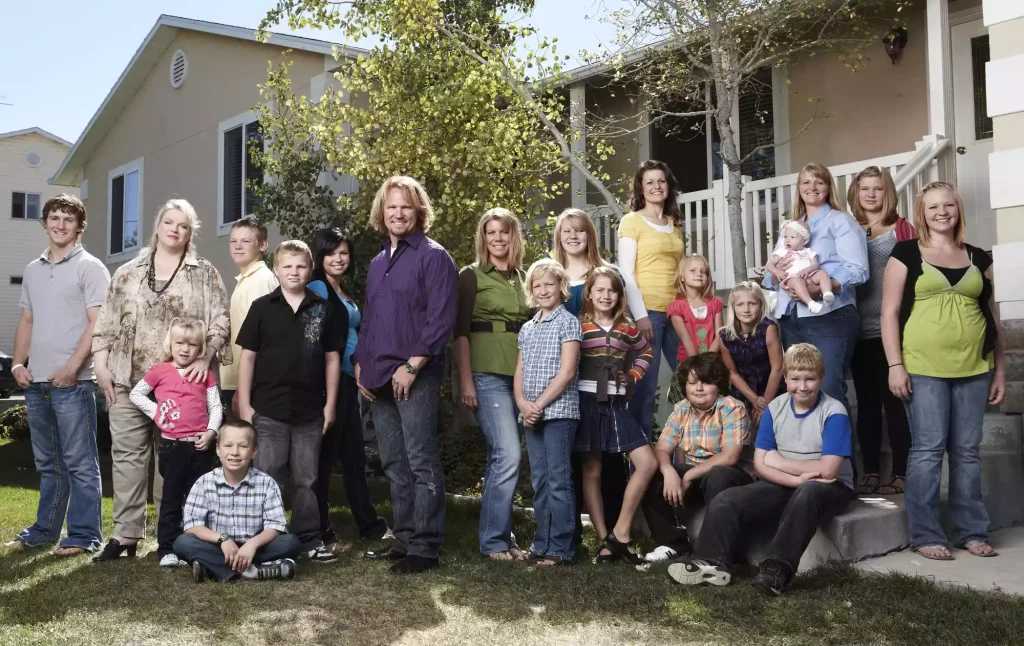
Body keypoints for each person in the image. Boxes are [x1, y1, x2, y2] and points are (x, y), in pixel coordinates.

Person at [92, 198, 231, 562]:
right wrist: (101, 365)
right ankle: (126, 535)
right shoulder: (127, 272)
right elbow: (105, 324)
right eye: (169, 222)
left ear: (190, 233)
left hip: (185, 386)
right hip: (128, 378)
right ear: (157, 226)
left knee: (176, 460)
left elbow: (221, 321)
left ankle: (175, 534)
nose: (175, 229)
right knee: (127, 456)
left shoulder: (204, 273)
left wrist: (206, 354)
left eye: (183, 225)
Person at [667, 344, 855, 596]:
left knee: (809, 492)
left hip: (829, 487)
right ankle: (711, 563)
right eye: (795, 379)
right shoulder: (775, 408)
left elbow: (829, 470)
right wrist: (794, 477)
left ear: (820, 378)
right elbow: (760, 464)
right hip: (786, 483)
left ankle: (775, 571)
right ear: (785, 378)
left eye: (810, 379)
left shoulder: (833, 412)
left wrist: (778, 461)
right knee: (726, 500)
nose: (802, 386)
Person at [881, 181, 1004, 560]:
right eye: (933, 206)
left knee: (967, 452)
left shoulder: (979, 257)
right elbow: (889, 312)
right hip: (921, 365)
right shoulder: (905, 252)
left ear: (957, 209)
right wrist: (895, 365)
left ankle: (971, 531)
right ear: (923, 212)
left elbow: (992, 315)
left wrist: (999, 369)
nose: (941, 212)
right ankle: (926, 534)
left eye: (948, 205)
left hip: (974, 366)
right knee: (928, 451)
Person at [354, 176, 458, 574]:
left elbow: (440, 319)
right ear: (383, 211)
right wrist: (361, 363)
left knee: (420, 459)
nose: (398, 213)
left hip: (415, 375)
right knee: (394, 462)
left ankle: (426, 548)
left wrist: (412, 366)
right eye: (392, 206)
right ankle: (405, 537)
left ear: (419, 212)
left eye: (406, 207)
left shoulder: (434, 256)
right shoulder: (379, 262)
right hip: (378, 376)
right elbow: (371, 320)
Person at [5, 194, 110, 556]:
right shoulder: (34, 269)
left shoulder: (91, 268)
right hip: (36, 384)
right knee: (49, 463)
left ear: (79, 226)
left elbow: (98, 325)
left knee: (81, 464)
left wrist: (71, 369)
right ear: (45, 222)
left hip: (74, 384)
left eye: (68, 219)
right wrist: (19, 363)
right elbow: (28, 319)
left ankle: (83, 535)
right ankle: (45, 530)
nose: (60, 224)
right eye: (54, 217)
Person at [236, 240, 342, 565]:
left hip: (311, 411)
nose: (294, 272)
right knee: (266, 474)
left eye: (300, 266)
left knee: (307, 479)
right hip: (268, 410)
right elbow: (248, 359)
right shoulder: (261, 308)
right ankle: (262, 539)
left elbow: (332, 360)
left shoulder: (322, 309)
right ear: (277, 269)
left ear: (310, 270)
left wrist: (330, 406)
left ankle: (309, 539)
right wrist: (244, 404)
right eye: (287, 266)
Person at [454, 208, 533, 561]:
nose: (497, 238)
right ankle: (493, 543)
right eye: (490, 233)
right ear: (483, 238)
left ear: (513, 236)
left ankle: (503, 536)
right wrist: (466, 380)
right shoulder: (470, 276)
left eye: (503, 232)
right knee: (508, 453)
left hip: (521, 374)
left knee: (503, 457)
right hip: (486, 373)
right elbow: (460, 332)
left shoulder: (525, 278)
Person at [308, 228, 390, 550]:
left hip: (347, 381)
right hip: (330, 384)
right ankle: (322, 532)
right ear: (320, 256)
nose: (339, 258)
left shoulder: (342, 291)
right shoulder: (317, 288)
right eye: (332, 253)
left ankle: (369, 526)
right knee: (325, 460)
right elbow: (317, 339)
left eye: (344, 253)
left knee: (355, 457)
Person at [551, 207, 628, 550]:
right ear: (558, 236)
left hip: (600, 378)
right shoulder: (553, 275)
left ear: (589, 235)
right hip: (563, 375)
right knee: (569, 452)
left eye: (579, 230)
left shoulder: (605, 274)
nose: (573, 236)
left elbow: (629, 319)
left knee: (607, 454)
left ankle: (613, 532)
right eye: (566, 230)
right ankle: (569, 532)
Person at [763, 163, 868, 405]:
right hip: (791, 318)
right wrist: (780, 277)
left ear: (828, 187)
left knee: (828, 388)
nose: (812, 187)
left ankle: (835, 444)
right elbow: (772, 274)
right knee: (800, 394)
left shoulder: (840, 222)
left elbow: (858, 270)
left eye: (819, 182)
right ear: (799, 188)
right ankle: (807, 444)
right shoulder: (791, 227)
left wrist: (819, 288)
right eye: (806, 182)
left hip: (829, 316)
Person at [574, 267, 657, 564]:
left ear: (619, 295)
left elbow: (646, 352)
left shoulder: (627, 326)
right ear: (590, 294)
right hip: (587, 401)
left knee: (646, 462)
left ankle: (620, 533)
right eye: (600, 290)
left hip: (617, 404)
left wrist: (632, 375)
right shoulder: (579, 326)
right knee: (592, 470)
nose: (605, 295)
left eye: (611, 290)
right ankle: (603, 542)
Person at [640, 353, 752, 563]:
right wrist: (669, 471)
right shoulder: (682, 408)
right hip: (696, 479)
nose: (698, 388)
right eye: (692, 382)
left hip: (732, 479)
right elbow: (661, 450)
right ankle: (672, 543)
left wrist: (689, 474)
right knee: (650, 470)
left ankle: (716, 550)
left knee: (719, 473)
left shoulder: (732, 407)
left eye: (706, 382)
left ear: (718, 385)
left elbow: (730, 456)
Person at [128, 319, 222, 567]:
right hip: (172, 448)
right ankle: (167, 549)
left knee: (199, 501)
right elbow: (136, 394)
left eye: (192, 344)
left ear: (200, 348)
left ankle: (196, 549)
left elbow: (214, 406)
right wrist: (157, 413)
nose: (185, 349)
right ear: (171, 343)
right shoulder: (159, 371)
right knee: (171, 499)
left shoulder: (204, 373)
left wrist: (211, 432)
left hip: (200, 448)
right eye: (180, 342)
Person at [847, 167, 914, 496]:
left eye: (878, 189)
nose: (871, 194)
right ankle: (871, 472)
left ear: (887, 192)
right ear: (856, 194)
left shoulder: (901, 230)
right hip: (858, 332)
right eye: (865, 189)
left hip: (894, 331)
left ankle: (900, 473)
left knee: (896, 403)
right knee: (868, 405)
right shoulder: (848, 229)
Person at [515, 258, 582, 566]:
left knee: (558, 479)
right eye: (537, 285)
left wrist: (538, 405)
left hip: (558, 413)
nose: (543, 290)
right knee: (540, 480)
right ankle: (541, 541)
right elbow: (520, 372)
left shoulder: (568, 322)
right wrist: (522, 404)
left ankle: (562, 547)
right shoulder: (527, 328)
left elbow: (567, 372)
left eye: (549, 284)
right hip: (531, 413)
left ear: (561, 287)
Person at [174, 420, 300, 583]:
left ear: (254, 451)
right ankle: (252, 571)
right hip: (218, 546)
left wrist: (252, 545)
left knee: (290, 543)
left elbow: (275, 525)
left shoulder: (266, 483)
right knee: (182, 542)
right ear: (218, 450)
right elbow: (192, 526)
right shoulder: (204, 483)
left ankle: (211, 567)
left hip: (255, 547)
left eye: (242, 446)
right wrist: (223, 539)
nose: (235, 452)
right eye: (228, 445)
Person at [618, 160, 685, 439]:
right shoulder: (631, 221)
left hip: (677, 314)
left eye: (661, 181)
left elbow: (681, 270)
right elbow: (625, 272)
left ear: (668, 186)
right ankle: (639, 468)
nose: (656, 186)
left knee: (690, 381)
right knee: (644, 393)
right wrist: (641, 315)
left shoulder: (674, 224)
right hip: (648, 314)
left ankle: (688, 455)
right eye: (650, 182)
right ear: (641, 189)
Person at [220, 217, 278, 418]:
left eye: (245, 241)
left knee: (250, 447)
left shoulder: (260, 280)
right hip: (237, 382)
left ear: (263, 245)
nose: (237, 246)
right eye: (233, 241)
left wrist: (243, 391)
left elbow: (265, 339)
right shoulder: (247, 279)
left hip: (247, 386)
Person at [718, 282, 783, 425]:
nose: (746, 309)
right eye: (740, 305)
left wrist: (764, 403)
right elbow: (732, 372)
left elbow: (777, 368)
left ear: (761, 305)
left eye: (752, 304)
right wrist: (754, 399)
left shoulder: (769, 329)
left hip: (771, 391)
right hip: (743, 394)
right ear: (733, 308)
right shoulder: (724, 335)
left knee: (769, 429)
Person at [764, 221, 834, 314]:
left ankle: (827, 294)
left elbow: (815, 265)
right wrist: (777, 272)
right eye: (785, 237)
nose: (787, 240)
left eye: (792, 237)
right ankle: (810, 303)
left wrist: (807, 269)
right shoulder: (782, 252)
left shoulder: (808, 251)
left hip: (808, 275)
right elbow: (768, 264)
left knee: (822, 274)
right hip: (791, 278)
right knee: (797, 282)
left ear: (804, 240)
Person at [667, 254, 724, 362]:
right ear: (682, 276)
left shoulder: (715, 304)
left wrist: (708, 361)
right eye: (692, 270)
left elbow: (719, 336)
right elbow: (686, 339)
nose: (699, 274)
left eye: (703, 271)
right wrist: (697, 366)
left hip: (713, 361)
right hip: (689, 362)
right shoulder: (676, 307)